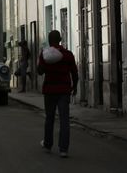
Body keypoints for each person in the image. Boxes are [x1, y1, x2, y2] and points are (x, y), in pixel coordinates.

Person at [37, 30, 78, 158]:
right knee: (64, 120)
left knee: (49, 118)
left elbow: (40, 72)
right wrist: (74, 87)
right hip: (64, 90)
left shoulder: (45, 54)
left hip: (50, 90)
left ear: (49, 41)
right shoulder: (67, 54)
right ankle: (63, 149)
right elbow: (74, 73)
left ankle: (48, 144)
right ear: (60, 40)